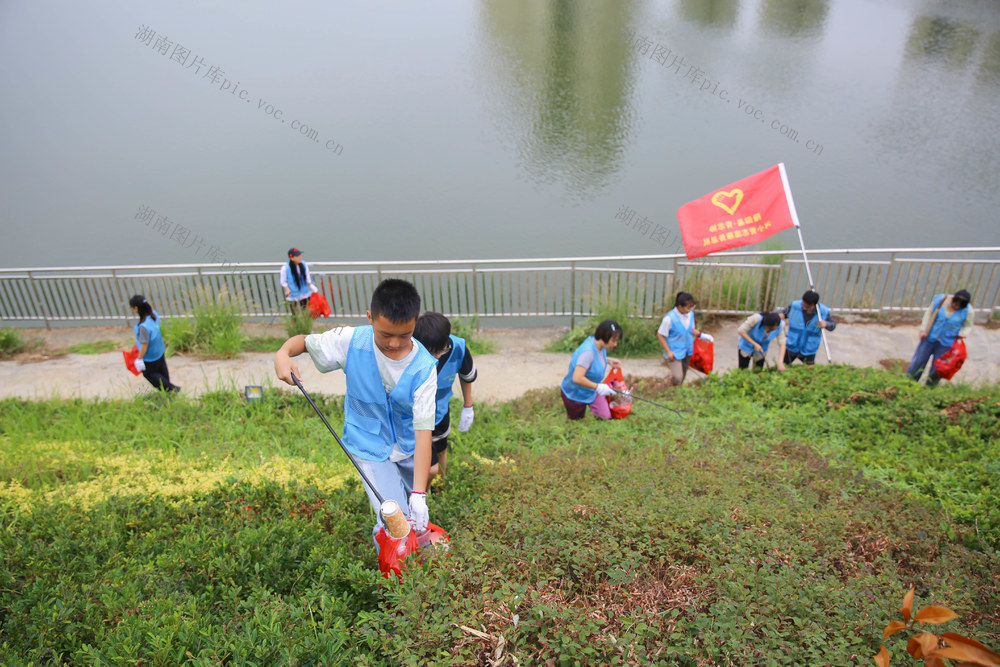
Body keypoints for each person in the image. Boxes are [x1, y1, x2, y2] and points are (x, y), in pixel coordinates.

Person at [273, 279, 437, 540]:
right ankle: (395, 576)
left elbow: (423, 431)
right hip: (367, 444)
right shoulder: (350, 340)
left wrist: (420, 494)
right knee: (395, 522)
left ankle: (414, 562)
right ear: (370, 317)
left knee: (413, 514)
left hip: (407, 447)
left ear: (415, 322)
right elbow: (303, 342)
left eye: (404, 335)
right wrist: (282, 354)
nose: (394, 344)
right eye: (385, 335)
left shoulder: (425, 368)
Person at [413, 312, 477, 481]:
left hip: (440, 409)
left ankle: (440, 489)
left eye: (441, 350)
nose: (437, 356)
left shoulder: (457, 347)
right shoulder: (411, 350)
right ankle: (421, 497)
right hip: (415, 415)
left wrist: (468, 406)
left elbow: (467, 375)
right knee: (430, 468)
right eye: (432, 352)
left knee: (441, 449)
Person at [906, 289, 973, 386]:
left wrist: (964, 333)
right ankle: (909, 384)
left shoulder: (968, 311)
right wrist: (923, 330)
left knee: (938, 368)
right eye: (955, 304)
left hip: (946, 343)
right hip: (930, 337)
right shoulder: (941, 300)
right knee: (918, 362)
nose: (956, 307)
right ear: (952, 299)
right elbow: (929, 314)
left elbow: (968, 325)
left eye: (959, 307)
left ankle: (930, 388)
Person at [560, 319, 622, 420]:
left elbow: (594, 359)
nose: (615, 344)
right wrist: (598, 387)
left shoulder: (598, 343)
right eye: (613, 341)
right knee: (577, 422)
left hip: (592, 389)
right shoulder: (588, 352)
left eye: (617, 341)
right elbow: (577, 378)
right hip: (575, 393)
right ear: (604, 337)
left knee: (605, 418)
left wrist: (608, 360)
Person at [656, 292, 710, 386]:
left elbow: (691, 329)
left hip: (687, 349)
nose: (690, 309)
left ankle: (676, 392)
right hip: (675, 351)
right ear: (680, 307)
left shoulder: (690, 315)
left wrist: (701, 335)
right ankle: (669, 384)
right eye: (688, 307)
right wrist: (668, 351)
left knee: (683, 376)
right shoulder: (669, 319)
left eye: (691, 307)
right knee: (678, 377)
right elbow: (660, 335)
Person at [129, 294, 180, 392]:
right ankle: (168, 392)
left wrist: (139, 358)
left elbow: (145, 344)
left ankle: (171, 388)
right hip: (159, 349)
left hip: (150, 356)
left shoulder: (143, 327)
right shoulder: (154, 315)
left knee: (149, 374)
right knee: (162, 369)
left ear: (135, 308)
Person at [782, 290, 836, 365]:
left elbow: (833, 326)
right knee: (784, 365)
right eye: (802, 302)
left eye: (805, 305)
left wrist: (826, 324)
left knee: (809, 370)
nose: (802, 305)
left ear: (812, 304)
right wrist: (780, 315)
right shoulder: (795, 305)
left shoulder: (823, 312)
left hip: (809, 347)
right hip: (792, 344)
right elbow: (783, 313)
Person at [280, 247, 317, 312]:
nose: (300, 257)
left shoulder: (304, 264)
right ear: (291, 258)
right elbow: (283, 281)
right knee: (295, 313)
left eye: (300, 255)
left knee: (305, 311)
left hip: (304, 292)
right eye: (297, 256)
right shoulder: (285, 268)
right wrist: (288, 290)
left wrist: (311, 285)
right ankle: (295, 322)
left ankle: (305, 322)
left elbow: (307, 276)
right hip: (293, 293)